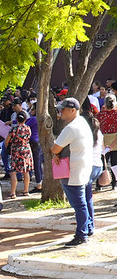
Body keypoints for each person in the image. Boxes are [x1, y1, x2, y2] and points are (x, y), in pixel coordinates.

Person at [51, 98, 95, 246]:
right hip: (84, 168)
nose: (60, 112)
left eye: (63, 109)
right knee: (86, 201)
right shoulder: (82, 122)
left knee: (80, 204)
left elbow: (55, 148)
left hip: (73, 171)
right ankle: (88, 228)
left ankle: (81, 235)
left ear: (73, 110)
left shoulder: (71, 128)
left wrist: (57, 153)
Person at [4, 111, 33, 198]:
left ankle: (13, 193)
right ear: (25, 119)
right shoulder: (28, 128)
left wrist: (8, 147)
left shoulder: (13, 129)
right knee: (26, 171)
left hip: (16, 151)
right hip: (26, 150)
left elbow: (7, 141)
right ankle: (26, 190)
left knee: (13, 172)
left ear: (16, 119)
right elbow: (29, 137)